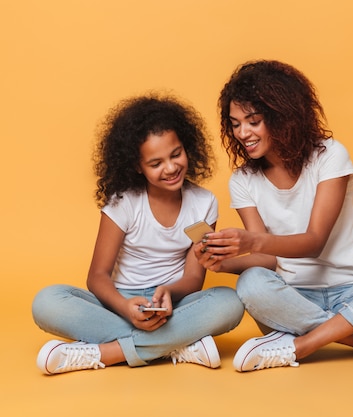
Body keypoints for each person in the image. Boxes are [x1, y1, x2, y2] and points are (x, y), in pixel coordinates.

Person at [194, 60, 353, 372]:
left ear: (282, 116)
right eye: (235, 123)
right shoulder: (243, 181)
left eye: (253, 121)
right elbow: (269, 260)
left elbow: (314, 242)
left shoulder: (330, 156)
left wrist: (251, 240)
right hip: (294, 300)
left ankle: (301, 344)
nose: (243, 133)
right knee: (251, 283)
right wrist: (224, 261)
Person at [32, 93, 244, 375]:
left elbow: (194, 278)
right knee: (47, 302)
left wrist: (168, 292)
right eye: (155, 164)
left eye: (176, 154)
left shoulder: (204, 202)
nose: (170, 168)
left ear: (187, 147)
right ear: (137, 166)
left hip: (174, 305)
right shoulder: (124, 203)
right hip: (120, 302)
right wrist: (124, 306)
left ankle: (104, 353)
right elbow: (97, 276)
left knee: (230, 303)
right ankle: (176, 345)